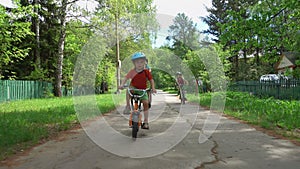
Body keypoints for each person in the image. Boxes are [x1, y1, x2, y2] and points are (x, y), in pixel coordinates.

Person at [119, 52, 157, 129]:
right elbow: (126, 78)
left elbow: (151, 80)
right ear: (134, 63)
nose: (139, 64)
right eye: (137, 62)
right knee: (128, 91)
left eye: (141, 62)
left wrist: (153, 88)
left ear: (145, 62)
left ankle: (146, 121)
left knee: (146, 103)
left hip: (142, 90)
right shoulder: (132, 71)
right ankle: (128, 106)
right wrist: (122, 84)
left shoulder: (146, 72)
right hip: (133, 88)